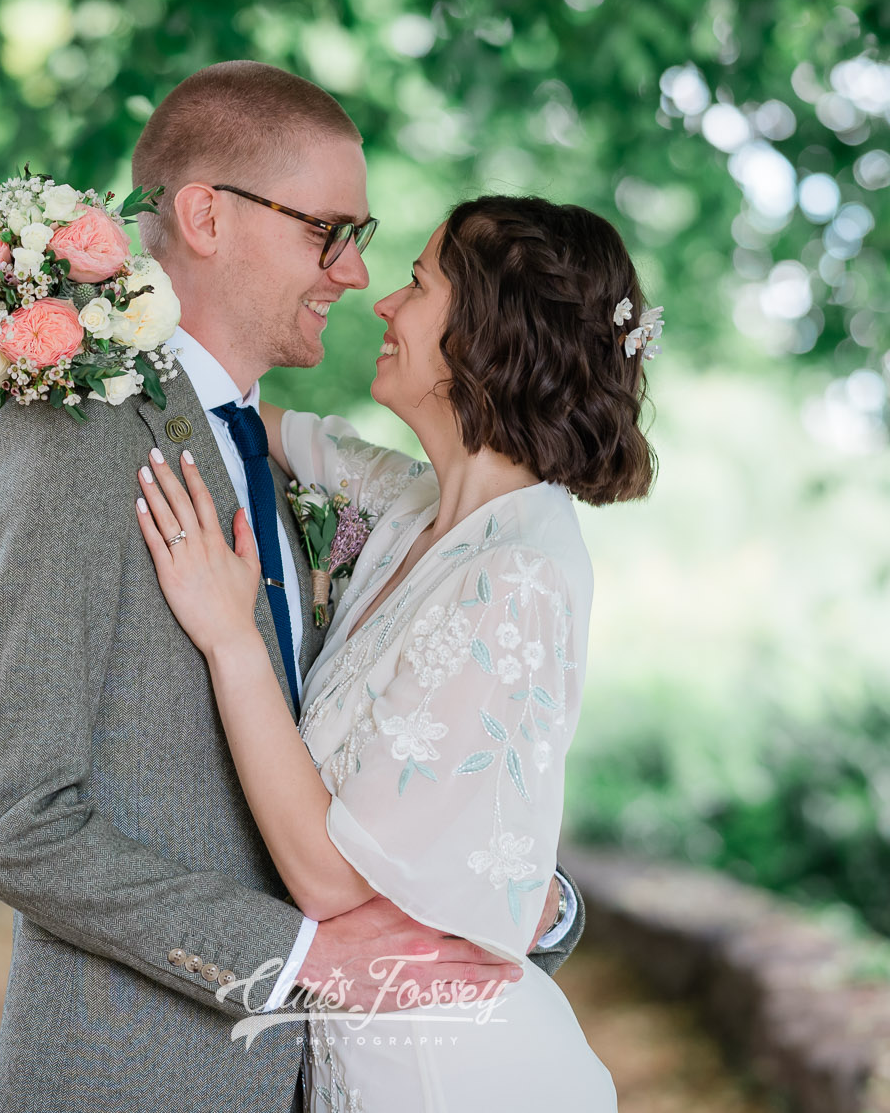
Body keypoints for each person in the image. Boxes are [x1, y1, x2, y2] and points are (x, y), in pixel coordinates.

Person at [0, 63, 586, 1113]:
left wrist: (523, 899)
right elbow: (6, 818)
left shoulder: (301, 473)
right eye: (326, 230)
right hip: (141, 1078)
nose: (353, 270)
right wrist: (299, 959)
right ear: (203, 215)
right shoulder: (67, 440)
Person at [133, 194, 656, 1109]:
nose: (382, 302)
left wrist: (230, 638)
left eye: (417, 284)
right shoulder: (417, 504)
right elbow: (258, 421)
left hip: (448, 1079)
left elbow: (331, 878)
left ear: (487, 335)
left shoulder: (519, 576)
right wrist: (91, 320)